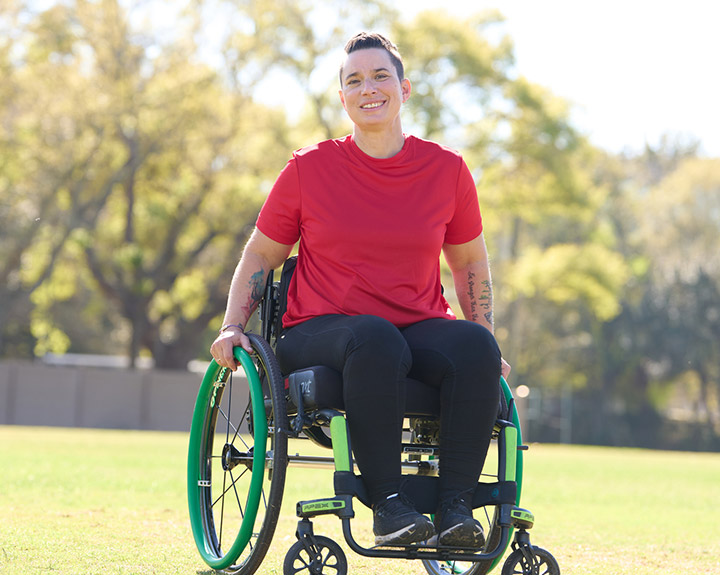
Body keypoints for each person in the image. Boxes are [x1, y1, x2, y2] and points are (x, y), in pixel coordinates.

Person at [211, 32, 510, 549]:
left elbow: (469, 262)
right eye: (354, 80)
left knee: (477, 347)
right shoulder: (309, 169)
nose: (368, 88)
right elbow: (261, 254)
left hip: (414, 327)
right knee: (374, 338)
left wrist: (486, 335)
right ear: (342, 96)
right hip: (318, 331)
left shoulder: (447, 171)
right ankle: (388, 504)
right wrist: (232, 325)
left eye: (380, 76)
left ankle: (456, 507)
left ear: (404, 88)